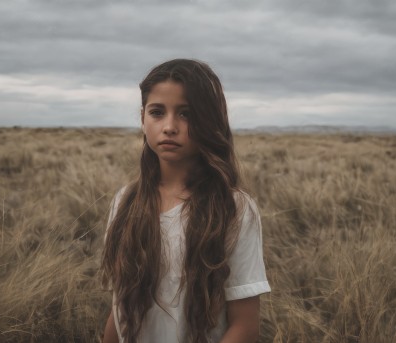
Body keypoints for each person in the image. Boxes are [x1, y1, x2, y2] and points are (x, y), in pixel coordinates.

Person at [101, 58, 270, 343]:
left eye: (186, 114)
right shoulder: (125, 202)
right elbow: (120, 310)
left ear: (209, 121)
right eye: (157, 112)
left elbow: (245, 326)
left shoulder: (233, 208)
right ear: (142, 118)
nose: (169, 126)